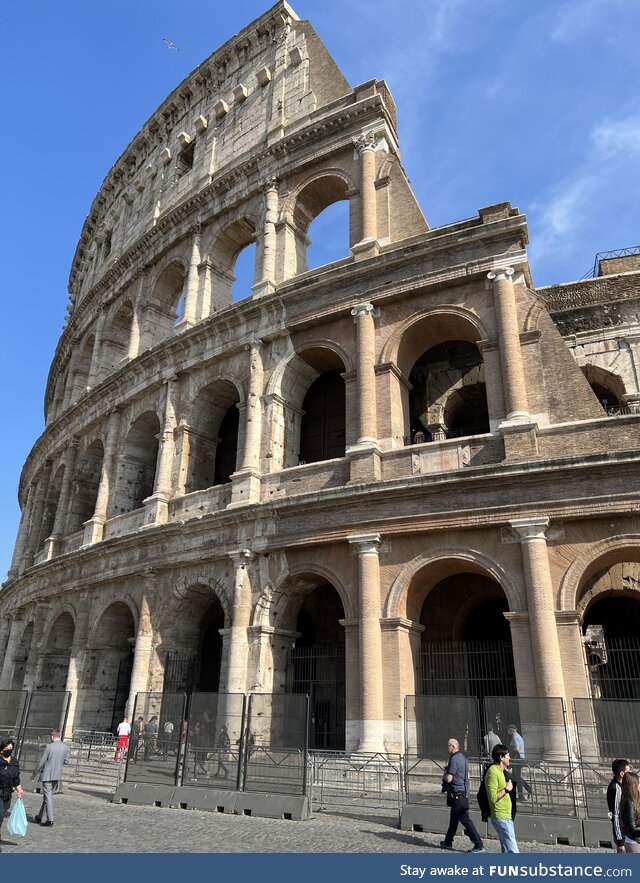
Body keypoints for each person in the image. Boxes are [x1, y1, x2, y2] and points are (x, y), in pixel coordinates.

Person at [439, 737, 484, 853]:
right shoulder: (463, 758)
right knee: (453, 820)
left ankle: (478, 844)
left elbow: (449, 778)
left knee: (465, 820)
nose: (446, 748)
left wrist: (444, 776)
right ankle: (448, 841)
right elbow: (467, 775)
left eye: (448, 746)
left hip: (457, 794)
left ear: (453, 747)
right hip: (462, 792)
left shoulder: (454, 759)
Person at [32, 729, 70, 827]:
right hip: (57, 775)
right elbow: (66, 761)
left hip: (47, 774)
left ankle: (50, 819)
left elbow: (41, 762)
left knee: (48, 797)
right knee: (47, 796)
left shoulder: (49, 747)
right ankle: (40, 816)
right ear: (60, 736)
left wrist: (34, 773)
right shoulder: (65, 747)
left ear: (52, 737)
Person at [485, 743, 519, 853]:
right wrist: (506, 789)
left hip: (506, 815)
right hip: (501, 816)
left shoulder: (501, 771)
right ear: (501, 757)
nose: (509, 758)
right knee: (513, 851)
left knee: (506, 850)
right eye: (508, 755)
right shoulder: (492, 773)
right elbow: (492, 797)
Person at [0, 738, 24, 851]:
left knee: (1, 817)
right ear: (1, 750)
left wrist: (20, 790)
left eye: (11, 748)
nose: (9, 750)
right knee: (0, 817)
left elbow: (16, 778)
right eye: (7, 748)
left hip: (7, 794)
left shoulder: (14, 762)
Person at [608, 759, 632, 853]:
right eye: (629, 771)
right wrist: (620, 841)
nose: (631, 773)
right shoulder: (616, 788)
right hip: (624, 833)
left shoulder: (625, 785)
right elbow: (616, 815)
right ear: (622, 774)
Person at [507, 724, 532, 801]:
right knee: (516, 776)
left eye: (509, 730)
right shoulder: (519, 736)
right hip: (521, 758)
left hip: (517, 758)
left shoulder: (514, 737)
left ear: (511, 730)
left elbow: (517, 749)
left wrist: (510, 754)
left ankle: (525, 792)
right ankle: (525, 791)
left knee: (516, 777)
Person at [620, 771, 640, 854]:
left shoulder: (635, 800)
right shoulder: (628, 803)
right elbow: (632, 829)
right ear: (634, 786)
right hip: (634, 842)